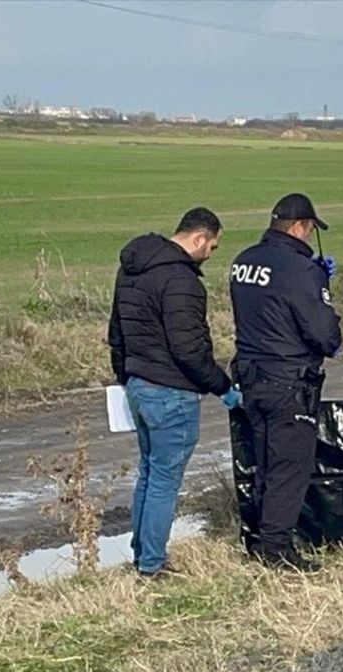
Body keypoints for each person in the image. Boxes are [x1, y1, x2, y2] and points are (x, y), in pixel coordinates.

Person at [107, 207, 240, 579]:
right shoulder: (181, 281)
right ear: (199, 238)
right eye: (212, 247)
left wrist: (127, 376)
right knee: (165, 479)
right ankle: (152, 565)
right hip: (172, 393)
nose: (210, 255)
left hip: (137, 385)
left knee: (149, 474)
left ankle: (141, 554)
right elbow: (190, 350)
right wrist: (223, 388)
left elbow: (116, 331)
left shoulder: (131, 268)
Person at [229, 193, 341, 572]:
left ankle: (260, 538)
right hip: (288, 381)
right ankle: (276, 550)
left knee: (263, 462)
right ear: (297, 227)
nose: (310, 237)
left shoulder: (242, 262)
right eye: (309, 229)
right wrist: (323, 293)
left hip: (250, 376)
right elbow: (325, 336)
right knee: (288, 468)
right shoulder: (301, 271)